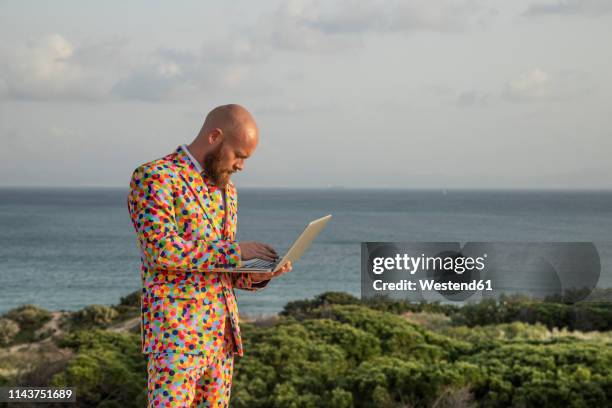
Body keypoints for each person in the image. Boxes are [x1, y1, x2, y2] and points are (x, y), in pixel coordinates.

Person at [127, 104, 292, 407]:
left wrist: (259, 273)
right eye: (239, 155)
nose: (241, 166)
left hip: (222, 340)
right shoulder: (155, 177)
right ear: (215, 136)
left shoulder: (227, 190)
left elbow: (219, 268)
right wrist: (236, 251)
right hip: (175, 340)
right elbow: (160, 250)